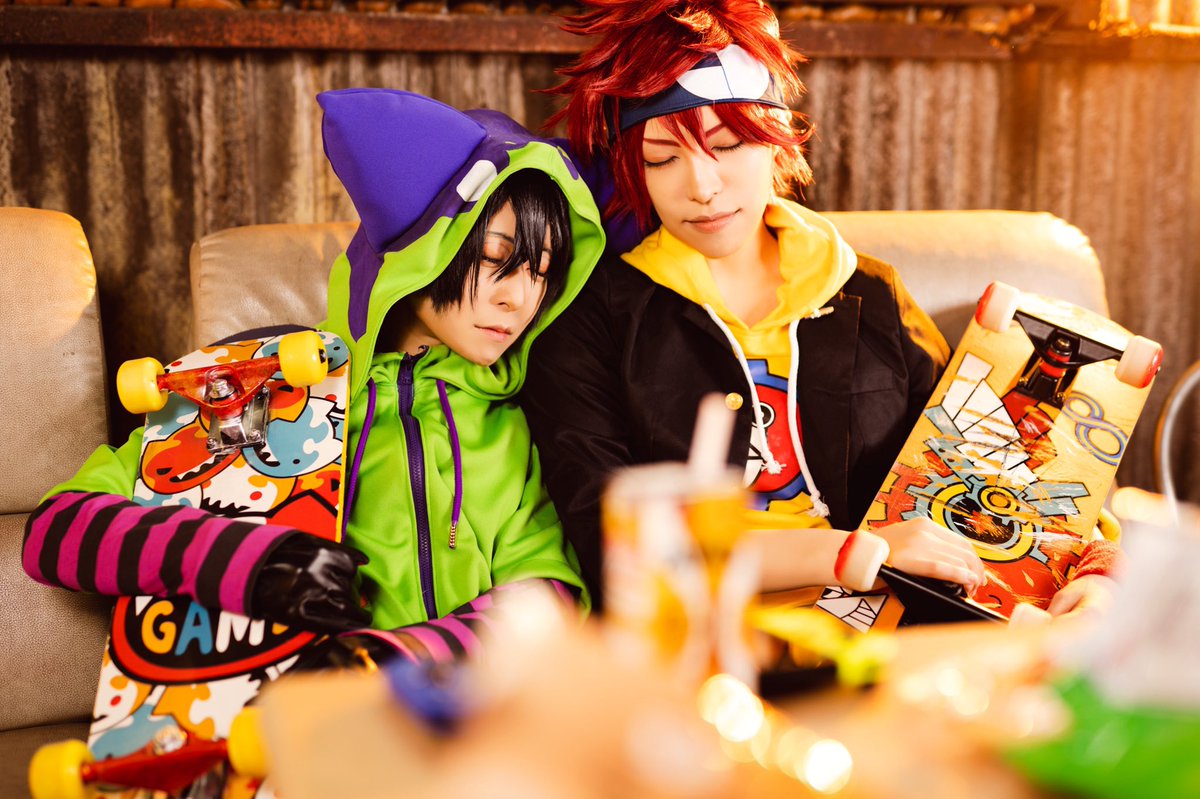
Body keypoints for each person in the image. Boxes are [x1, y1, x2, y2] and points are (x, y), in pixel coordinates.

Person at [521, 0, 1117, 618]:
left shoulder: (870, 293)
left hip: (903, 632)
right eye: (661, 158)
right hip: (704, 639)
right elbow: (615, 548)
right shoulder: (591, 319)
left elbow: (985, 463)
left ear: (775, 137)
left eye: (727, 144)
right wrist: (850, 553)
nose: (701, 186)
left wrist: (1095, 571)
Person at [23, 88, 606, 663]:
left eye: (542, 272)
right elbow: (56, 530)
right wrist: (238, 561)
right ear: (423, 250)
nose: (520, 299)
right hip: (290, 713)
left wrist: (395, 658)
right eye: (496, 258)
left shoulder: (512, 419)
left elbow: (547, 594)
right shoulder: (264, 388)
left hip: (465, 711)